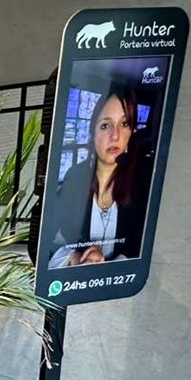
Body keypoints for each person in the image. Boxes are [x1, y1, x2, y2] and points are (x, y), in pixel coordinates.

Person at [45, 86, 149, 268]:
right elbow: (45, 243)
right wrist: (76, 257)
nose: (115, 136)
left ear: (131, 132)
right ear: (93, 133)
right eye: (105, 126)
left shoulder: (141, 183)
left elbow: (142, 246)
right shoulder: (75, 178)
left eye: (124, 124)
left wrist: (116, 266)